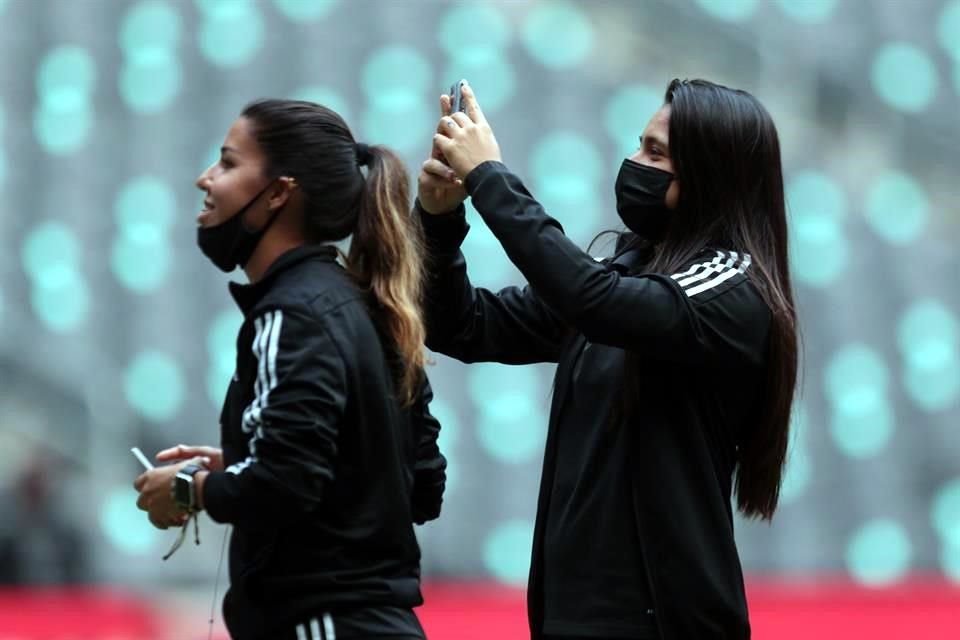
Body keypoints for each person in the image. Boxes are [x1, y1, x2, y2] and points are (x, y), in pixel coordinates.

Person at [416, 78, 798, 640]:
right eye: (638, 143)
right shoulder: (626, 271)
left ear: (710, 175)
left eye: (656, 153)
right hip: (572, 616)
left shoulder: (734, 287)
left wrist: (490, 178)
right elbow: (464, 327)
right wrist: (440, 223)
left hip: (665, 622)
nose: (634, 161)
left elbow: (592, 299)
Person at [133, 99, 446, 640]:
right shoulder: (371, 306)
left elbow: (290, 481)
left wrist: (192, 488)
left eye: (228, 164)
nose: (204, 179)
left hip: (319, 623)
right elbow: (419, 483)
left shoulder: (291, 315)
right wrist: (243, 462)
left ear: (279, 191)